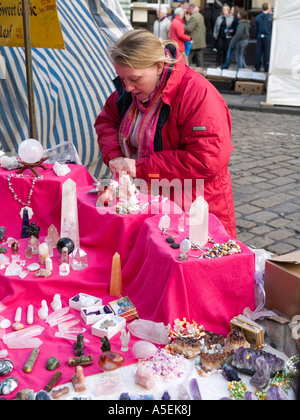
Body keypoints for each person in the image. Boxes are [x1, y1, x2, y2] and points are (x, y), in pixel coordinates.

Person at [94, 29, 236, 237]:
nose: (128, 87)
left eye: (135, 78)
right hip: (149, 197)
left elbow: (206, 159)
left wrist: (140, 167)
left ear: (159, 66)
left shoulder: (198, 94)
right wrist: (114, 156)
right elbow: (107, 121)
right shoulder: (128, 91)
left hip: (195, 202)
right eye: (122, 79)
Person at [184, 3, 207, 68]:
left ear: (191, 9)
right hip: (200, 42)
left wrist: (181, 24)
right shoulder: (199, 15)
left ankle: (185, 73)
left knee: (187, 59)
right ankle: (201, 75)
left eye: (187, 9)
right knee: (199, 60)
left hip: (194, 42)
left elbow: (189, 28)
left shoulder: (194, 17)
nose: (187, 11)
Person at [254, 2, 273, 72]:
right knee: (267, 53)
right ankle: (266, 67)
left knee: (258, 52)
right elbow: (272, 28)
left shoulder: (258, 17)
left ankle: (257, 67)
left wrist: (256, 35)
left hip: (259, 36)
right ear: (268, 8)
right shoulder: (271, 17)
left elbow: (255, 28)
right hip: (268, 36)